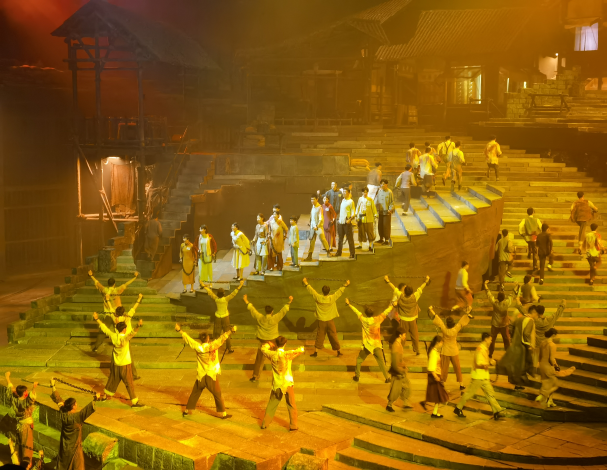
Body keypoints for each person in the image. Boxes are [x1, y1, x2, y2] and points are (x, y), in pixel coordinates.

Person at [175, 322, 235, 418]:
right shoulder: (213, 345)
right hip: (210, 375)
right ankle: (223, 413)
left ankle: (186, 411)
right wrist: (230, 331)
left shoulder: (198, 347)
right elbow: (222, 338)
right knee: (217, 394)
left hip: (201, 375)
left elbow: (188, 339)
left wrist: (180, 330)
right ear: (208, 339)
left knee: (195, 393)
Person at [93, 312, 144, 407]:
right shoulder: (125, 338)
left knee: (112, 380)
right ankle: (134, 402)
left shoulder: (113, 336)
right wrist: (138, 325)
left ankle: (105, 396)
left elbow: (104, 328)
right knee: (129, 383)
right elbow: (133, 333)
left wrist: (97, 319)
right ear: (124, 329)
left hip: (116, 364)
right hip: (125, 364)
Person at [50, 377, 99, 470]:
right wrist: (96, 398)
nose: (77, 404)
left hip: (65, 447)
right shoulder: (77, 417)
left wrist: (53, 385)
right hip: (75, 449)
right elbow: (86, 410)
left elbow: (58, 399)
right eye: (75, 403)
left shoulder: (63, 412)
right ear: (73, 406)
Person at [453, 333, 505, 420]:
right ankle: (458, 408)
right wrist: (489, 363)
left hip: (484, 377)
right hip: (478, 377)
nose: (491, 341)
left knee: (490, 394)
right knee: (469, 394)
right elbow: (478, 363)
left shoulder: (484, 349)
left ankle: (497, 411)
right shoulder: (480, 349)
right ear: (486, 339)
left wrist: (489, 361)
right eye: (490, 339)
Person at [89, 269, 139, 353]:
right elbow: (127, 283)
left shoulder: (104, 290)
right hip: (118, 315)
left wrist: (91, 275)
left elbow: (97, 282)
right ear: (114, 284)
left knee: (103, 329)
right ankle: (123, 344)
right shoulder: (117, 290)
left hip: (109, 314)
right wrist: (135, 277)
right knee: (122, 330)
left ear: (108, 284)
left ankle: (96, 346)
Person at [245, 294, 293, 382]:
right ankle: (281, 374)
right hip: (274, 341)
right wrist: (289, 302)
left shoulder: (260, 318)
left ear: (265, 311)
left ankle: (255, 376)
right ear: (272, 311)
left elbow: (253, 310)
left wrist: (246, 301)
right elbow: (283, 311)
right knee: (279, 358)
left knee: (259, 360)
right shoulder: (275, 318)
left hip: (263, 341)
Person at [260, 337, 304, 431]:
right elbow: (300, 350)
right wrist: (300, 349)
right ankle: (293, 425)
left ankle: (265, 424)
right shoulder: (288, 354)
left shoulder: (272, 355)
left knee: (272, 404)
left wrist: (268, 344)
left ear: (276, 344)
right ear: (285, 344)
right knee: (291, 404)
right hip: (287, 383)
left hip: (277, 384)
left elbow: (263, 349)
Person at [345, 299, 391, 383]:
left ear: (366, 313)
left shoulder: (363, 320)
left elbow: (356, 311)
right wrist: (392, 306)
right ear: (373, 313)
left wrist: (349, 304)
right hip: (376, 345)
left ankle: (357, 376)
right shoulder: (378, 319)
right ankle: (387, 378)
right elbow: (386, 312)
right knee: (381, 362)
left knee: (359, 360)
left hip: (367, 346)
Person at [428, 306, 472, 390]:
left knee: (444, 369)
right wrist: (468, 311)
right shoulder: (456, 329)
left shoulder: (444, 329)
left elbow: (437, 319)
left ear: (447, 323)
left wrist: (431, 310)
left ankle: (442, 383)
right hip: (454, 350)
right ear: (453, 323)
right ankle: (461, 384)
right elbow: (462, 321)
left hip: (445, 351)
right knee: (457, 368)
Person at [303, 277, 348, 357]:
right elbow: (339, 292)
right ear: (329, 292)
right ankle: (338, 352)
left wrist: (306, 283)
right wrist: (345, 284)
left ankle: (316, 353)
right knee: (333, 335)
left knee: (320, 336)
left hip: (321, 321)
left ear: (322, 291)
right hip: (330, 321)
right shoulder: (332, 298)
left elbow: (311, 291)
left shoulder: (318, 297)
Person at [497, 305, 538, 389]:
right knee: (521, 366)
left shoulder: (520, 318)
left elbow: (511, 327)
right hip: (523, 346)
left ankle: (516, 383)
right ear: (534, 312)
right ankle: (520, 383)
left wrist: (513, 337)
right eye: (537, 314)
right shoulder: (530, 320)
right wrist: (529, 345)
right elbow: (526, 333)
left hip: (516, 344)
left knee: (516, 365)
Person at [3, 372, 37, 468]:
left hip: (19, 425)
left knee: (20, 443)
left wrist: (7, 378)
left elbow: (10, 389)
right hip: (25, 426)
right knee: (27, 444)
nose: (27, 392)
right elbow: (31, 398)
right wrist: (34, 387)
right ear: (23, 393)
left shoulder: (14, 398)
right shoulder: (24, 402)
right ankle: (27, 464)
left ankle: (18, 460)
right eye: (26, 391)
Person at [535, 328, 575, 408]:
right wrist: (556, 366)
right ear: (553, 335)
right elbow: (551, 359)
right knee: (556, 385)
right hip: (548, 367)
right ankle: (543, 395)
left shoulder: (542, 343)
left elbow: (540, 356)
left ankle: (550, 401)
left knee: (549, 383)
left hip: (542, 365)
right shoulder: (552, 345)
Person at [202, 280, 244, 355]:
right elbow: (234, 293)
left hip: (218, 317)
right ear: (224, 294)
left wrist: (203, 285)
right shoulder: (226, 299)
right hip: (225, 317)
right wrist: (240, 285)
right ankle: (229, 348)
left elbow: (210, 292)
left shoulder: (216, 299)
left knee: (216, 334)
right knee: (227, 333)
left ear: (218, 294)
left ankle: (214, 348)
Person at [394, 276, 430, 356]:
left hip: (403, 320)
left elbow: (394, 289)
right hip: (412, 320)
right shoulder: (415, 296)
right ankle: (417, 349)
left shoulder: (400, 296)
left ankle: (400, 350)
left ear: (404, 291)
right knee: (415, 335)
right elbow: (421, 288)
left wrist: (388, 281)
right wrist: (426, 281)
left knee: (402, 335)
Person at [110, 294, 144, 380]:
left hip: (117, 338)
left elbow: (110, 309)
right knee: (129, 357)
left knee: (115, 356)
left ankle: (114, 375)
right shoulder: (127, 317)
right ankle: (133, 375)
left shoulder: (115, 318)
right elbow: (134, 308)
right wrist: (139, 298)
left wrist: (107, 300)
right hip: (126, 338)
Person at [484, 280, 518, 358]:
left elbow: (489, 295)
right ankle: (508, 354)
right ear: (503, 298)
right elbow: (512, 295)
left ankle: (490, 354)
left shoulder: (495, 303)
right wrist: (516, 286)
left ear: (497, 298)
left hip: (495, 324)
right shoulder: (506, 303)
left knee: (492, 340)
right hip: (504, 325)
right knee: (506, 340)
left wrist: (485, 285)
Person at [386, 327, 412, 412]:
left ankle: (405, 403)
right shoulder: (396, 345)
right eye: (404, 335)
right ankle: (389, 405)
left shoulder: (399, 344)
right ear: (400, 335)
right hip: (397, 371)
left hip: (401, 370)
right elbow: (395, 360)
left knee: (406, 386)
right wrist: (399, 370)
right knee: (395, 389)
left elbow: (400, 358)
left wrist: (404, 366)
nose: (405, 336)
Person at [422, 335, 448, 418]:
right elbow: (431, 367)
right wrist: (435, 376)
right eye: (441, 342)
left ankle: (434, 411)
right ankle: (431, 409)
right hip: (435, 375)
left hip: (436, 375)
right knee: (439, 395)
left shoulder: (434, 351)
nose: (442, 344)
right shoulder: (433, 353)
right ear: (438, 342)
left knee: (437, 395)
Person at [306, 195, 332, 261]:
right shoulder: (313, 206)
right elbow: (312, 216)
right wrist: (310, 223)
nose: (312, 201)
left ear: (317, 199)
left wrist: (317, 226)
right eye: (311, 199)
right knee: (312, 241)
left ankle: (328, 252)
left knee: (322, 239)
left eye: (313, 199)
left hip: (318, 227)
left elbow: (321, 219)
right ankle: (309, 256)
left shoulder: (319, 207)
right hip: (313, 226)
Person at [335, 188, 356, 258]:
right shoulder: (343, 200)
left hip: (347, 223)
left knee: (350, 239)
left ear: (348, 193)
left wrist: (350, 220)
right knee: (340, 239)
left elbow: (353, 213)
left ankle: (352, 253)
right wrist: (339, 220)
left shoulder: (351, 201)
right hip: (341, 222)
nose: (343, 193)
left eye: (345, 192)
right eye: (343, 192)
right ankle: (339, 252)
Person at [519, 208, 541, 272]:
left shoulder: (524, 220)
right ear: (533, 212)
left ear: (527, 213)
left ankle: (529, 251)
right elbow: (541, 227)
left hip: (527, 237)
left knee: (530, 243)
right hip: (534, 236)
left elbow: (520, 226)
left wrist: (521, 233)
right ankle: (535, 265)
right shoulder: (537, 220)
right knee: (535, 251)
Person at [267, 205, 289, 272]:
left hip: (279, 240)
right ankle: (272, 266)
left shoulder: (280, 222)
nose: (274, 215)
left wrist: (285, 236)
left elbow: (286, 229)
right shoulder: (271, 222)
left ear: (278, 215)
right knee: (272, 253)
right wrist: (269, 235)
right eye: (273, 214)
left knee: (279, 253)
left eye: (275, 214)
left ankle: (280, 266)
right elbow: (270, 230)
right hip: (273, 240)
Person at [355, 187, 378, 251]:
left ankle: (370, 246)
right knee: (361, 232)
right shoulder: (360, 199)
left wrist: (375, 215)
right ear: (362, 192)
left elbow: (373, 208)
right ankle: (360, 245)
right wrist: (356, 216)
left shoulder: (370, 200)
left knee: (370, 232)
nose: (365, 193)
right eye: (364, 192)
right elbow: (357, 208)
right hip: (361, 218)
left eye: (366, 192)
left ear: (367, 192)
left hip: (369, 218)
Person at [376, 180, 394, 245]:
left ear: (387, 184)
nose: (382, 185)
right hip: (380, 211)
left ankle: (386, 239)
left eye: (383, 184)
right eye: (381, 184)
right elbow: (377, 200)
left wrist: (390, 209)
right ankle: (381, 238)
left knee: (386, 226)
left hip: (387, 212)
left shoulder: (389, 192)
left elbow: (392, 202)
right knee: (380, 225)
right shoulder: (379, 191)